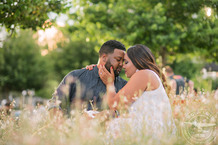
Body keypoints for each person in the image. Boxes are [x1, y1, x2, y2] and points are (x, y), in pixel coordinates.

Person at [98, 44, 176, 140]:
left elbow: (115, 105)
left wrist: (110, 82)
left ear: (137, 61)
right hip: (154, 130)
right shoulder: (148, 74)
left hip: (151, 132)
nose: (122, 66)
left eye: (126, 62)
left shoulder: (143, 74)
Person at [48, 40, 127, 115]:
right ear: (104, 58)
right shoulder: (76, 76)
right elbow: (54, 104)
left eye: (123, 61)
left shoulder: (125, 86)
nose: (122, 64)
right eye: (118, 60)